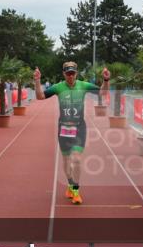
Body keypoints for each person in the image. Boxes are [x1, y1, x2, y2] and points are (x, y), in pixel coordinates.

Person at [33, 61, 110, 205]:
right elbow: (40, 96)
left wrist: (106, 80)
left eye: (72, 73)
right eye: (68, 73)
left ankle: (76, 190)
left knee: (77, 159)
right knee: (67, 161)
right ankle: (70, 184)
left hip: (79, 127)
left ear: (76, 73)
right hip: (64, 129)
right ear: (64, 73)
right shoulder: (58, 87)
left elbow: (103, 93)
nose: (70, 76)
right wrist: (37, 81)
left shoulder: (84, 85)